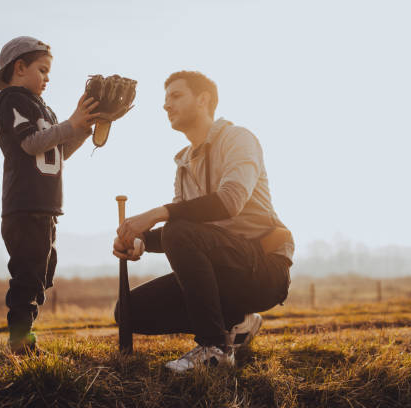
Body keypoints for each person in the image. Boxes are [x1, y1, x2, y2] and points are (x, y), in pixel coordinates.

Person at [113, 71, 294, 372]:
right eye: (165, 98)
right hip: (221, 268)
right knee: (127, 312)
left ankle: (215, 348)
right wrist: (138, 241)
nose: (166, 105)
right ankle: (236, 321)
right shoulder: (184, 164)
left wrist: (157, 213)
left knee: (178, 229)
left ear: (204, 99)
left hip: (264, 269)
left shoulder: (238, 139)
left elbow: (229, 201)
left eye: (175, 96)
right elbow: (184, 232)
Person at [0, 36, 100, 354]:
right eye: (43, 70)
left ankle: (24, 332)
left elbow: (56, 152)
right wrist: (69, 123)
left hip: (45, 207)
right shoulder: (12, 101)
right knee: (28, 275)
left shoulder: (42, 108)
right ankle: (20, 340)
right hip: (25, 205)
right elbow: (32, 144)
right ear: (19, 68)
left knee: (42, 274)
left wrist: (83, 127)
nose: (48, 78)